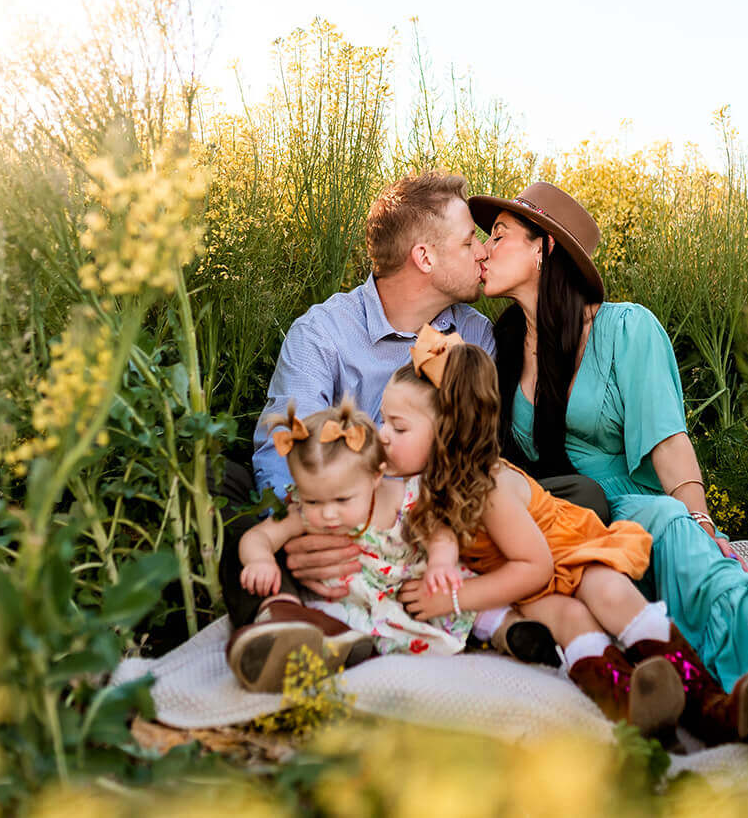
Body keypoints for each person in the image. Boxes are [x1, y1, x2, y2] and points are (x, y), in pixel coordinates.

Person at [217, 170, 608, 666]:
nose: (483, 252)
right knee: (226, 480)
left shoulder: (474, 335)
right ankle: (283, 613)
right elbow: (283, 442)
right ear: (424, 257)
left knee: (582, 495)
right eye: (470, 242)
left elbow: (476, 449)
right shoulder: (323, 332)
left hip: (431, 516)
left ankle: (476, 611)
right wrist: (310, 527)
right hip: (340, 506)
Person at [468, 182, 748, 695]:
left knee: (673, 526)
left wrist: (701, 519)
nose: (484, 249)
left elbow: (667, 442)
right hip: (561, 528)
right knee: (665, 532)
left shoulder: (625, 329)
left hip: (632, 515)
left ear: (543, 248)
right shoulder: (498, 347)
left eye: (500, 235)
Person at [379, 326, 731, 735]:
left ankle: (710, 703)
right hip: (519, 574)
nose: (382, 435)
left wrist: (454, 598)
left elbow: (537, 565)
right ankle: (633, 712)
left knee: (608, 594)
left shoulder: (485, 488)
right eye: (382, 421)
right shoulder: (419, 486)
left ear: (446, 434)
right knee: (567, 618)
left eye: (398, 427)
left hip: (560, 551)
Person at [227, 400, 477, 691]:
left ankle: (497, 628)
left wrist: (440, 562)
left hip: (405, 594)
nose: (328, 513)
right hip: (348, 603)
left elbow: (440, 531)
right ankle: (335, 650)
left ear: (375, 477)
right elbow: (258, 537)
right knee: (324, 624)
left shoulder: (400, 497)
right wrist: (260, 561)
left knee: (459, 593)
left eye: (342, 500)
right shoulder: (301, 510)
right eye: (313, 500)